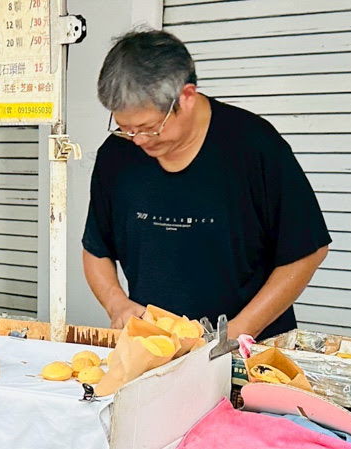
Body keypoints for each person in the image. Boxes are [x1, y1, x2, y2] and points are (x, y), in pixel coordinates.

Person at [82, 30, 330, 338]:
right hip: (157, 351)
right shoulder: (116, 156)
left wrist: (238, 332)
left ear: (186, 97)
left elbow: (309, 250)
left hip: (250, 351)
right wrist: (117, 304)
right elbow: (96, 249)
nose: (139, 140)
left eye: (148, 128)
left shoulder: (254, 146)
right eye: (126, 129)